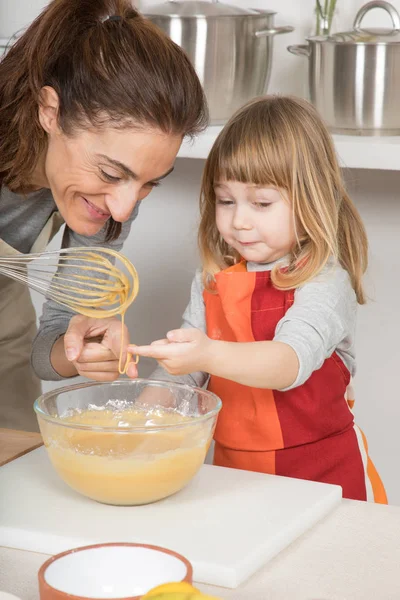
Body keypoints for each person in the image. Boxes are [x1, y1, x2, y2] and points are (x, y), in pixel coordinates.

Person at [130, 95, 387, 503]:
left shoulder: (323, 283)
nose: (239, 220)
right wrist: (136, 422)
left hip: (323, 476)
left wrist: (207, 354)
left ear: (310, 199)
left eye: (262, 203)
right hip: (235, 473)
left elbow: (288, 363)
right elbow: (182, 377)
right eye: (225, 200)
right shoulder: (213, 281)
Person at [0, 0, 207, 431]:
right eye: (111, 173)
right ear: (50, 112)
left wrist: (79, 347)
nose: (124, 208)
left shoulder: (109, 203)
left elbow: (49, 347)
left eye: (151, 183)